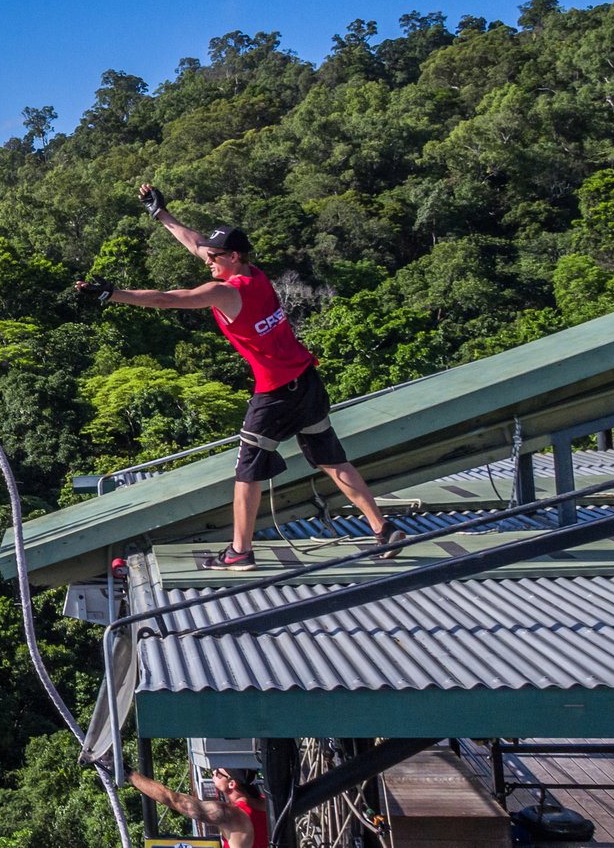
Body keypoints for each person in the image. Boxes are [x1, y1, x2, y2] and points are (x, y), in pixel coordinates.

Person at [75, 183, 405, 571]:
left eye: (215, 257)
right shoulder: (256, 275)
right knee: (332, 460)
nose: (207, 260)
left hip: (276, 392)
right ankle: (383, 529)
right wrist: (161, 214)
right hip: (307, 380)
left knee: (247, 472)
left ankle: (240, 552)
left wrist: (113, 294)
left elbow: (168, 298)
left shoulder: (226, 293)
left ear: (232, 257)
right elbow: (196, 243)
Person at [125, 765, 268, 848]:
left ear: (232, 784)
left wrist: (128, 774)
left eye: (218, 773)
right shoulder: (269, 804)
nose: (213, 773)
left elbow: (175, 800)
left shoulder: (231, 814)